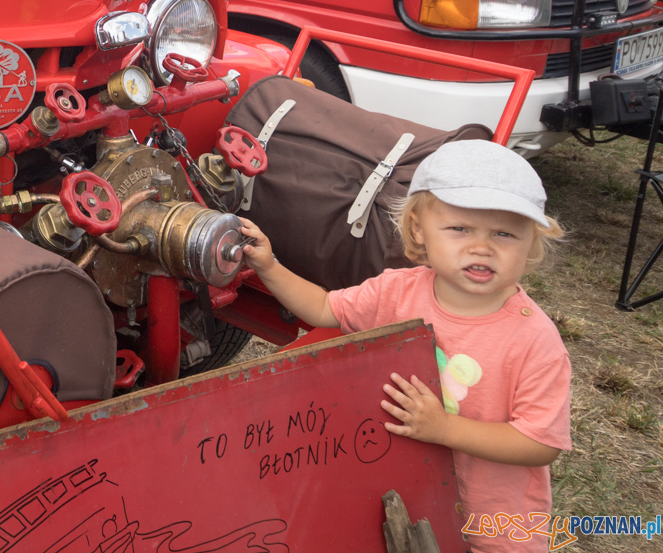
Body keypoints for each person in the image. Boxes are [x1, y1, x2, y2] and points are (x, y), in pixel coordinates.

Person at [238, 140, 571, 553]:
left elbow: (540, 443)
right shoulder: (397, 292)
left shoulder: (534, 339)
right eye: (460, 228)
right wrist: (268, 266)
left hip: (492, 527)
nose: (481, 247)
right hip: (404, 501)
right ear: (418, 229)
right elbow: (324, 308)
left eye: (504, 234)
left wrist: (445, 429)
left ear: (531, 241)